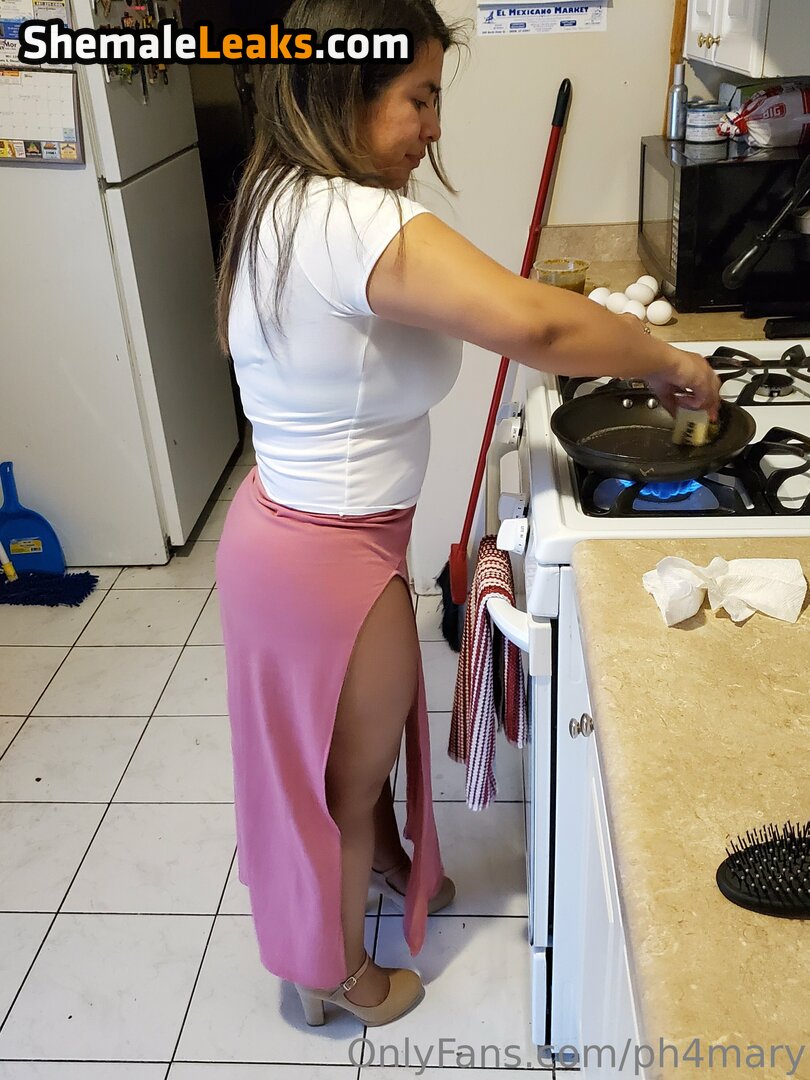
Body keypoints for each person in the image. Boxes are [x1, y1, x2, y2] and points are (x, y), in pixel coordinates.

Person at [214, 0, 721, 1031]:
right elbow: (535, 324)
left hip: (295, 539)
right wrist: (665, 360)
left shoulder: (281, 195)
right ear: (346, 90)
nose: (434, 125)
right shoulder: (351, 220)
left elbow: (496, 311)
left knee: (339, 754)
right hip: (324, 560)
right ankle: (336, 975)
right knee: (343, 779)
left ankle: (383, 873)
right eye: (419, 98)